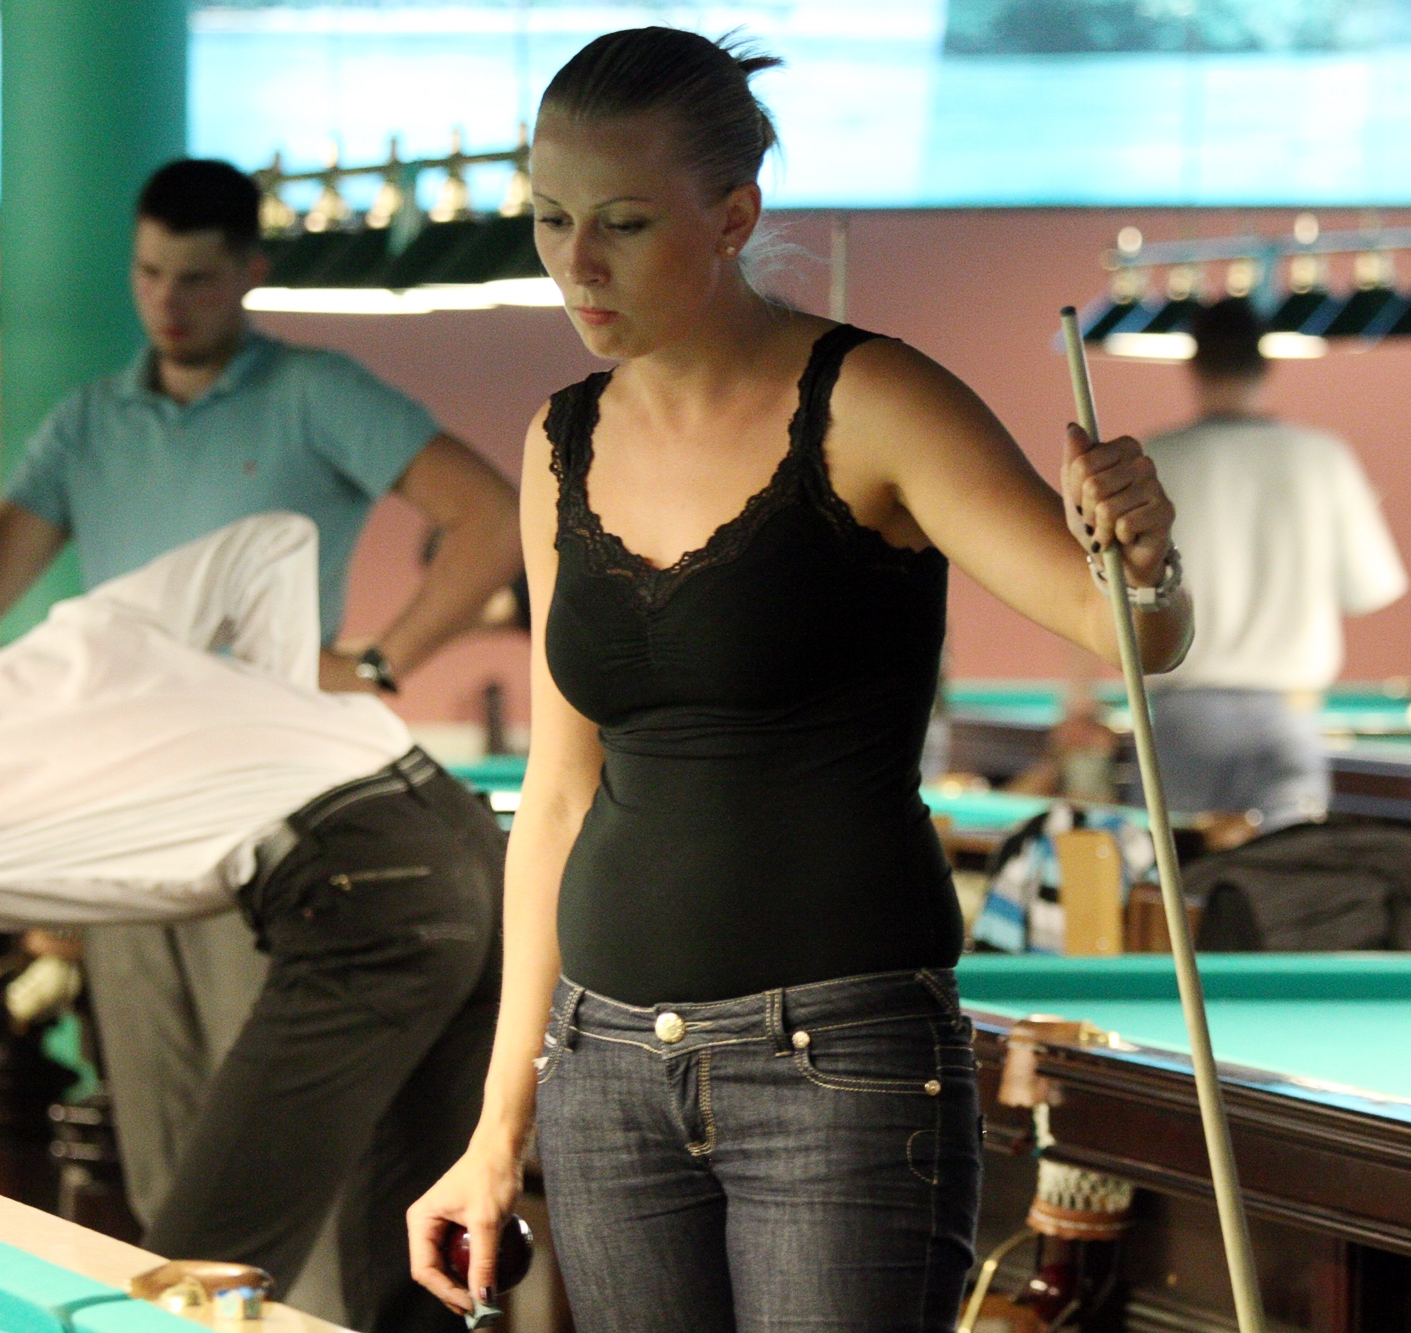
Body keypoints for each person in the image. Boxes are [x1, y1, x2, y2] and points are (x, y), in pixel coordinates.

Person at [404, 29, 1191, 1333]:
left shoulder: (873, 399)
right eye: (549, 217)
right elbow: (556, 794)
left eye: (622, 223)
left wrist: (1147, 558)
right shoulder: (559, 439)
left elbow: (1129, 634)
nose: (576, 262)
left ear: (733, 217)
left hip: (837, 1066)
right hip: (602, 1070)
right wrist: (497, 1128)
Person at [0, 158, 523, 1263]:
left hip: (272, 816)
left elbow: (491, 513)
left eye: (194, 277)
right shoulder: (91, 420)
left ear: (247, 271)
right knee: (164, 1159)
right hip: (128, 813)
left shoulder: (313, 392)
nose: (167, 301)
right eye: (149, 274)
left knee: (277, 1152)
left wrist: (376, 661)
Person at [0, 514, 502, 1332]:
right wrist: (278, 711)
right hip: (460, 836)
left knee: (197, 1272)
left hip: (361, 892)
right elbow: (269, 543)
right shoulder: (42, 662)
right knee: (415, 1249)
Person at [1142, 297, 1407, 830]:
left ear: (1193, 365)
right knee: (1291, 872)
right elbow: (1370, 588)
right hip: (1288, 713)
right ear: (1266, 364)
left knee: (1177, 875)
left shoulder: (1153, 459)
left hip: (1180, 714)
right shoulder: (1323, 457)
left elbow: (1100, 585)